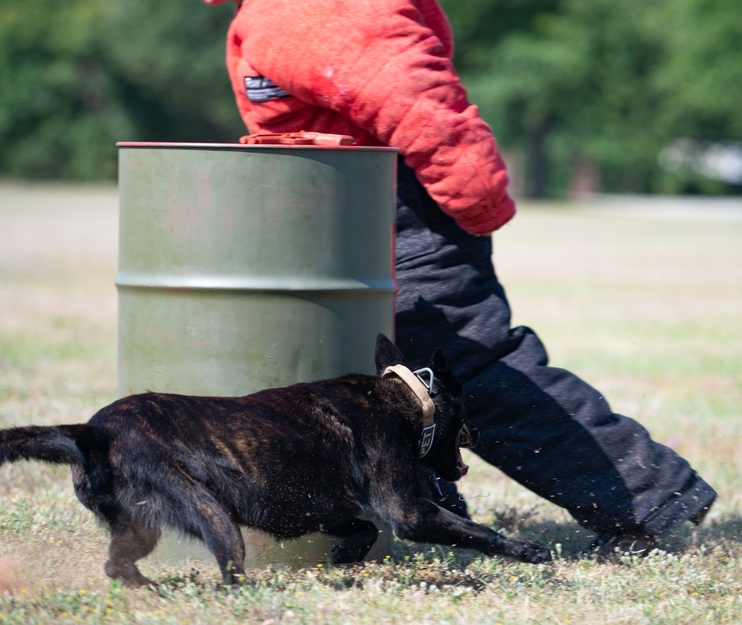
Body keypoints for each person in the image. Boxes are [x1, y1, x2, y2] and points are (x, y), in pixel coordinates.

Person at [206, 0, 716, 557]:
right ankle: (437, 520)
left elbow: (414, 99)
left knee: (466, 371)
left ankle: (650, 499)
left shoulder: (312, 8)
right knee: (389, 378)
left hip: (400, 207)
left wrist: (474, 195)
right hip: (351, 207)